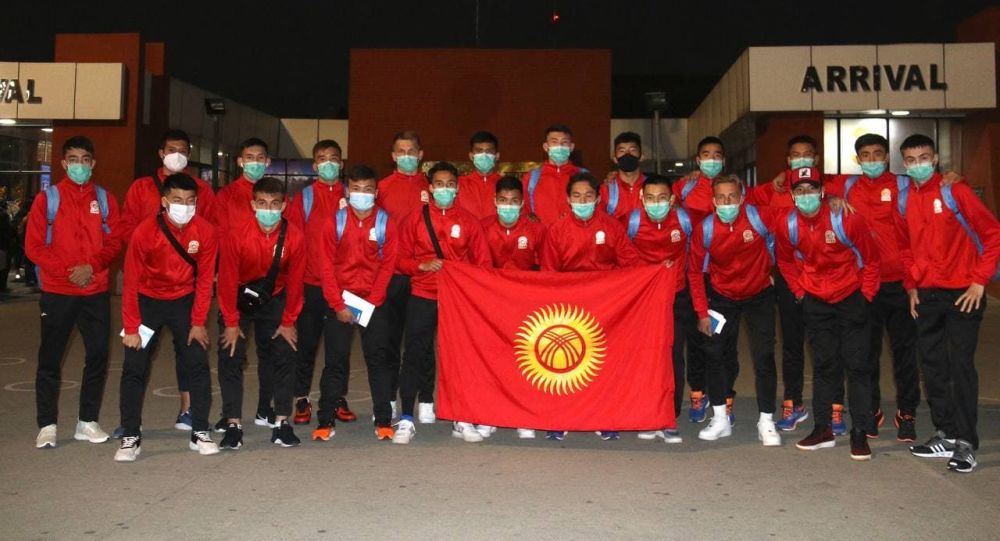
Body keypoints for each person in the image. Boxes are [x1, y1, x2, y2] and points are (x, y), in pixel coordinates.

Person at [900, 134, 1000, 474]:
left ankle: (966, 442)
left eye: (923, 158)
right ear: (904, 163)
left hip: (963, 293)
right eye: (911, 160)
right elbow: (907, 245)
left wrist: (979, 280)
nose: (918, 164)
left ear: (935, 158)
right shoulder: (906, 198)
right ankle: (946, 432)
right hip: (926, 293)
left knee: (960, 367)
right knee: (932, 366)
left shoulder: (955, 191)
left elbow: (993, 234)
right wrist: (911, 284)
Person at [773, 166, 880, 461]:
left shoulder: (845, 217)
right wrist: (800, 292)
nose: (806, 195)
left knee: (857, 366)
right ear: (792, 194)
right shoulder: (787, 223)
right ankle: (823, 429)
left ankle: (860, 432)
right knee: (823, 366)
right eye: (800, 190)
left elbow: (871, 260)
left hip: (851, 297)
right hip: (816, 301)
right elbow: (784, 261)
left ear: (822, 191)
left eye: (811, 189)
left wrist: (866, 296)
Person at [116, 129, 217, 434]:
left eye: (183, 150)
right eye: (171, 149)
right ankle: (129, 427)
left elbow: (208, 233)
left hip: (184, 291)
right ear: (161, 153)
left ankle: (189, 412)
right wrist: (151, 249)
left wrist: (199, 318)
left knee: (191, 355)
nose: (177, 155)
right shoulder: (141, 188)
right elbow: (127, 229)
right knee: (135, 362)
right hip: (148, 290)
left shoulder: (203, 190)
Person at [26, 135, 122, 449]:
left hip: (94, 290)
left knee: (98, 356)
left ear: (93, 164)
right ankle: (47, 424)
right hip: (58, 290)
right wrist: (70, 271)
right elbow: (34, 246)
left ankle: (87, 421)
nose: (79, 165)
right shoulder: (48, 199)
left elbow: (115, 241)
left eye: (85, 159)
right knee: (50, 358)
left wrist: (90, 268)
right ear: (63, 163)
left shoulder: (105, 200)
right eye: (73, 159)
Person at [824, 133, 920, 442]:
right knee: (866, 354)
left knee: (906, 354)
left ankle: (907, 412)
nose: (872, 159)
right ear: (858, 159)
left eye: (878, 153)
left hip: (902, 285)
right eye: (865, 155)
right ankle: (871, 409)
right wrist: (830, 198)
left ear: (887, 157)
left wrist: (953, 176)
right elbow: (805, 184)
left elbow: (938, 186)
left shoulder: (904, 185)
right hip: (865, 285)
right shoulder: (847, 185)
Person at [393, 161, 491, 444]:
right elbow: (399, 260)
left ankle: (462, 418)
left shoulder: (469, 222)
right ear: (430, 187)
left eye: (450, 185)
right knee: (414, 354)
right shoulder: (414, 219)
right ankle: (407, 418)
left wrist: (466, 279)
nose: (444, 189)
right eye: (439, 184)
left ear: (457, 188)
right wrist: (420, 265)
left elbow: (483, 264)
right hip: (423, 295)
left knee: (459, 358)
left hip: (457, 301)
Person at [540, 172, 641, 441]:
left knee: (602, 363)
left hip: (605, 305)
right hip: (567, 306)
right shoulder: (557, 230)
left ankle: (603, 417)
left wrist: (656, 273)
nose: (582, 201)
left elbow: (631, 263)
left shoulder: (612, 227)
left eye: (588, 196)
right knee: (565, 363)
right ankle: (560, 418)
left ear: (597, 199)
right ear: (568, 199)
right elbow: (548, 273)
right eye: (577, 196)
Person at [687, 174, 780, 447]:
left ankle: (766, 420)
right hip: (722, 297)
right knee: (714, 354)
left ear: (741, 198)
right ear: (713, 201)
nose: (727, 202)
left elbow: (791, 224)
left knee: (764, 356)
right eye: (721, 197)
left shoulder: (760, 218)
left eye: (732, 196)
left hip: (759, 295)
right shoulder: (705, 229)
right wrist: (702, 312)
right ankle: (720, 419)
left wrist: (830, 200)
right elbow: (694, 272)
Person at [216, 177, 306, 449]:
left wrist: (289, 321)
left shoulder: (295, 237)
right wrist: (231, 322)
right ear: (253, 204)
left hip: (275, 297)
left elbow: (296, 283)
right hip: (239, 298)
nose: (269, 209)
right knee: (230, 353)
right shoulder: (236, 235)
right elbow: (227, 281)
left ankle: (281, 421)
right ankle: (233, 423)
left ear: (284, 205)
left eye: (275, 204)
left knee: (284, 352)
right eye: (263, 203)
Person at [315, 165, 399, 441]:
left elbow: (388, 266)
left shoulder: (386, 223)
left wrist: (372, 301)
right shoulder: (334, 222)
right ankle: (325, 420)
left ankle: (383, 421)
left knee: (379, 360)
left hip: (374, 301)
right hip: (340, 300)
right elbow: (326, 266)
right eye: (356, 189)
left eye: (368, 189)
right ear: (348, 191)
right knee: (335, 362)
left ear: (376, 192)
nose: (362, 194)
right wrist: (337, 304)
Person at [745, 135, 813, 433]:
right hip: (787, 277)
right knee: (792, 344)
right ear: (788, 160)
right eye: (795, 154)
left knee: (829, 345)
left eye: (807, 154)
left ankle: (834, 407)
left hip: (826, 278)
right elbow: (737, 199)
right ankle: (793, 402)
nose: (801, 158)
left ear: (815, 159)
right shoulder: (773, 190)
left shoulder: (830, 186)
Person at [212, 137, 278, 428]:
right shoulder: (226, 196)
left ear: (268, 162)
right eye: (249, 157)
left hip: (270, 288)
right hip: (236, 286)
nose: (254, 162)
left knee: (270, 351)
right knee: (231, 352)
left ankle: (265, 408)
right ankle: (230, 414)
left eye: (260, 157)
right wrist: (219, 271)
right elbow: (216, 237)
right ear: (240, 161)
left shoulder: (275, 196)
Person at [286, 140, 352, 426]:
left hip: (343, 288)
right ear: (314, 166)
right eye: (322, 159)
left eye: (333, 158)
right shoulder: (305, 198)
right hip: (310, 285)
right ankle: (301, 398)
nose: (328, 163)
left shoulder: (354, 195)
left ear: (341, 163)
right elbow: (293, 242)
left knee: (340, 349)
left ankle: (336, 398)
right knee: (306, 346)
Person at [624, 174, 693, 444]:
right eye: (650, 198)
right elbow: (624, 258)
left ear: (672, 199)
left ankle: (669, 417)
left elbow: (695, 256)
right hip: (644, 301)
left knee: (673, 357)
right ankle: (647, 414)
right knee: (645, 357)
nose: (656, 203)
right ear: (641, 199)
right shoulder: (631, 222)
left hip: (676, 297)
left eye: (662, 198)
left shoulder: (684, 221)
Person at [480, 175, 547, 440]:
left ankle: (524, 417)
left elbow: (546, 266)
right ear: (494, 201)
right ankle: (490, 415)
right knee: (493, 359)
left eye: (514, 201)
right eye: (503, 200)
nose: (508, 205)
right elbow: (473, 265)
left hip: (525, 303)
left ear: (522, 203)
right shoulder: (482, 228)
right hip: (491, 303)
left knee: (525, 359)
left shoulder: (536, 229)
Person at [376, 130, 430, 421]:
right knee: (390, 341)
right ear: (393, 156)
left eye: (412, 151)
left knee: (422, 341)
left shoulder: (432, 187)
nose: (407, 156)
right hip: (392, 275)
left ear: (420, 154)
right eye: (401, 152)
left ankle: (426, 398)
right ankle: (388, 398)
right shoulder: (382, 188)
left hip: (424, 276)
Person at [673, 136, 728, 422]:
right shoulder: (685, 187)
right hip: (690, 272)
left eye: (717, 155)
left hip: (720, 276)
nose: (711, 160)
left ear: (724, 160)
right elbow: (654, 202)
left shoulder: (733, 189)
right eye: (706, 154)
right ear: (698, 160)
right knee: (693, 336)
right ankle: (698, 392)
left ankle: (723, 395)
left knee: (716, 338)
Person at [521, 124, 586, 225]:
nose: (559, 146)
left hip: (575, 234)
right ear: (546, 147)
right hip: (542, 234)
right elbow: (523, 211)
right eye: (554, 142)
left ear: (571, 147)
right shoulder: (531, 178)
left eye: (564, 142)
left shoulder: (583, 176)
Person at [600, 132, 647, 223]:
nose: (627, 154)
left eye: (632, 150)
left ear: (642, 156)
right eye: (622, 151)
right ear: (615, 158)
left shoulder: (653, 187)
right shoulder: (605, 190)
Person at [457, 131, 503, 220]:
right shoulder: (459, 184)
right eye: (479, 151)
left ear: (497, 156)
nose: (484, 155)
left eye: (489, 151)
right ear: (471, 156)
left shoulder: (505, 185)